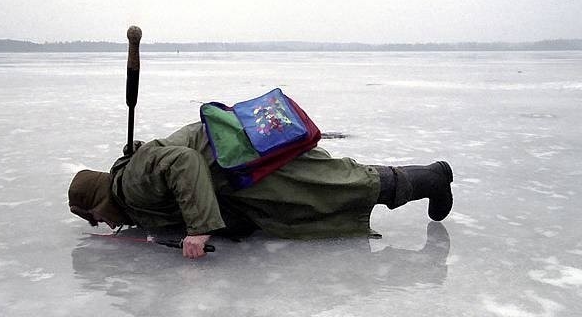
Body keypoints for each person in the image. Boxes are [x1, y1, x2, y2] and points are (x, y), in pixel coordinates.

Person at [68, 122, 453, 259]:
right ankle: (426, 181)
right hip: (240, 177)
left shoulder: (130, 182)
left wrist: (199, 229)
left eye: (94, 218)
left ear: (98, 203)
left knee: (343, 184)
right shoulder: (130, 193)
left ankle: (433, 178)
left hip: (249, 162)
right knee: (330, 192)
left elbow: (185, 163)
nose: (100, 225)